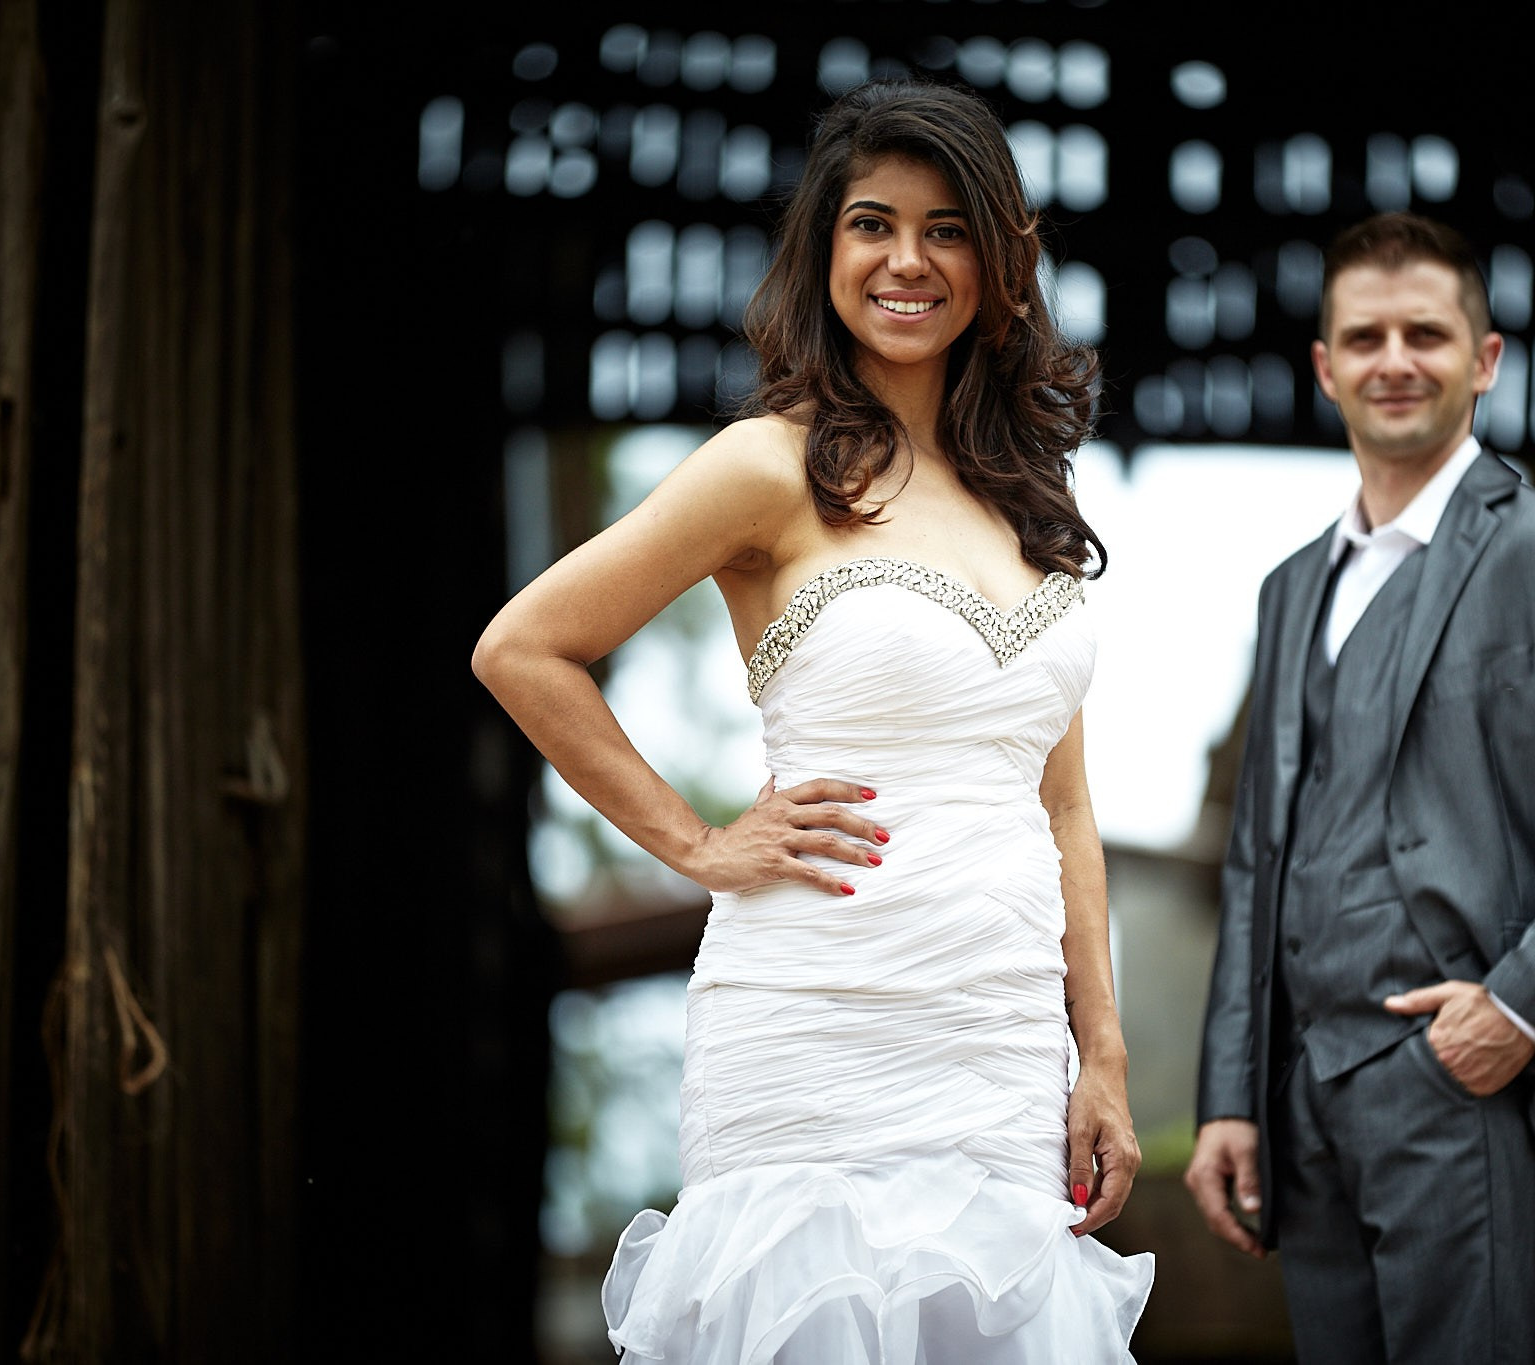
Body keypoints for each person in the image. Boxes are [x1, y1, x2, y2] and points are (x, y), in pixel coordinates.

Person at [474, 77, 1152, 1363]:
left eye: (948, 228)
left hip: (998, 1044)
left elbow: (1061, 803)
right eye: (872, 225)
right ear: (823, 252)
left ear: (1000, 260)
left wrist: (1100, 1058)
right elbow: (525, 648)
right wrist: (696, 845)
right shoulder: (765, 465)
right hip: (812, 1023)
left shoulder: (1032, 497)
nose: (908, 260)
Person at [1184, 212, 1535, 1363]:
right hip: (1301, 1103)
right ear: (1323, 367)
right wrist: (1230, 1095)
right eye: (1363, 336)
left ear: (1482, 361)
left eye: (1424, 334)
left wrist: (1516, 1008)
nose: (1393, 360)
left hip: (1461, 1081)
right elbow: (1253, 861)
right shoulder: (1289, 591)